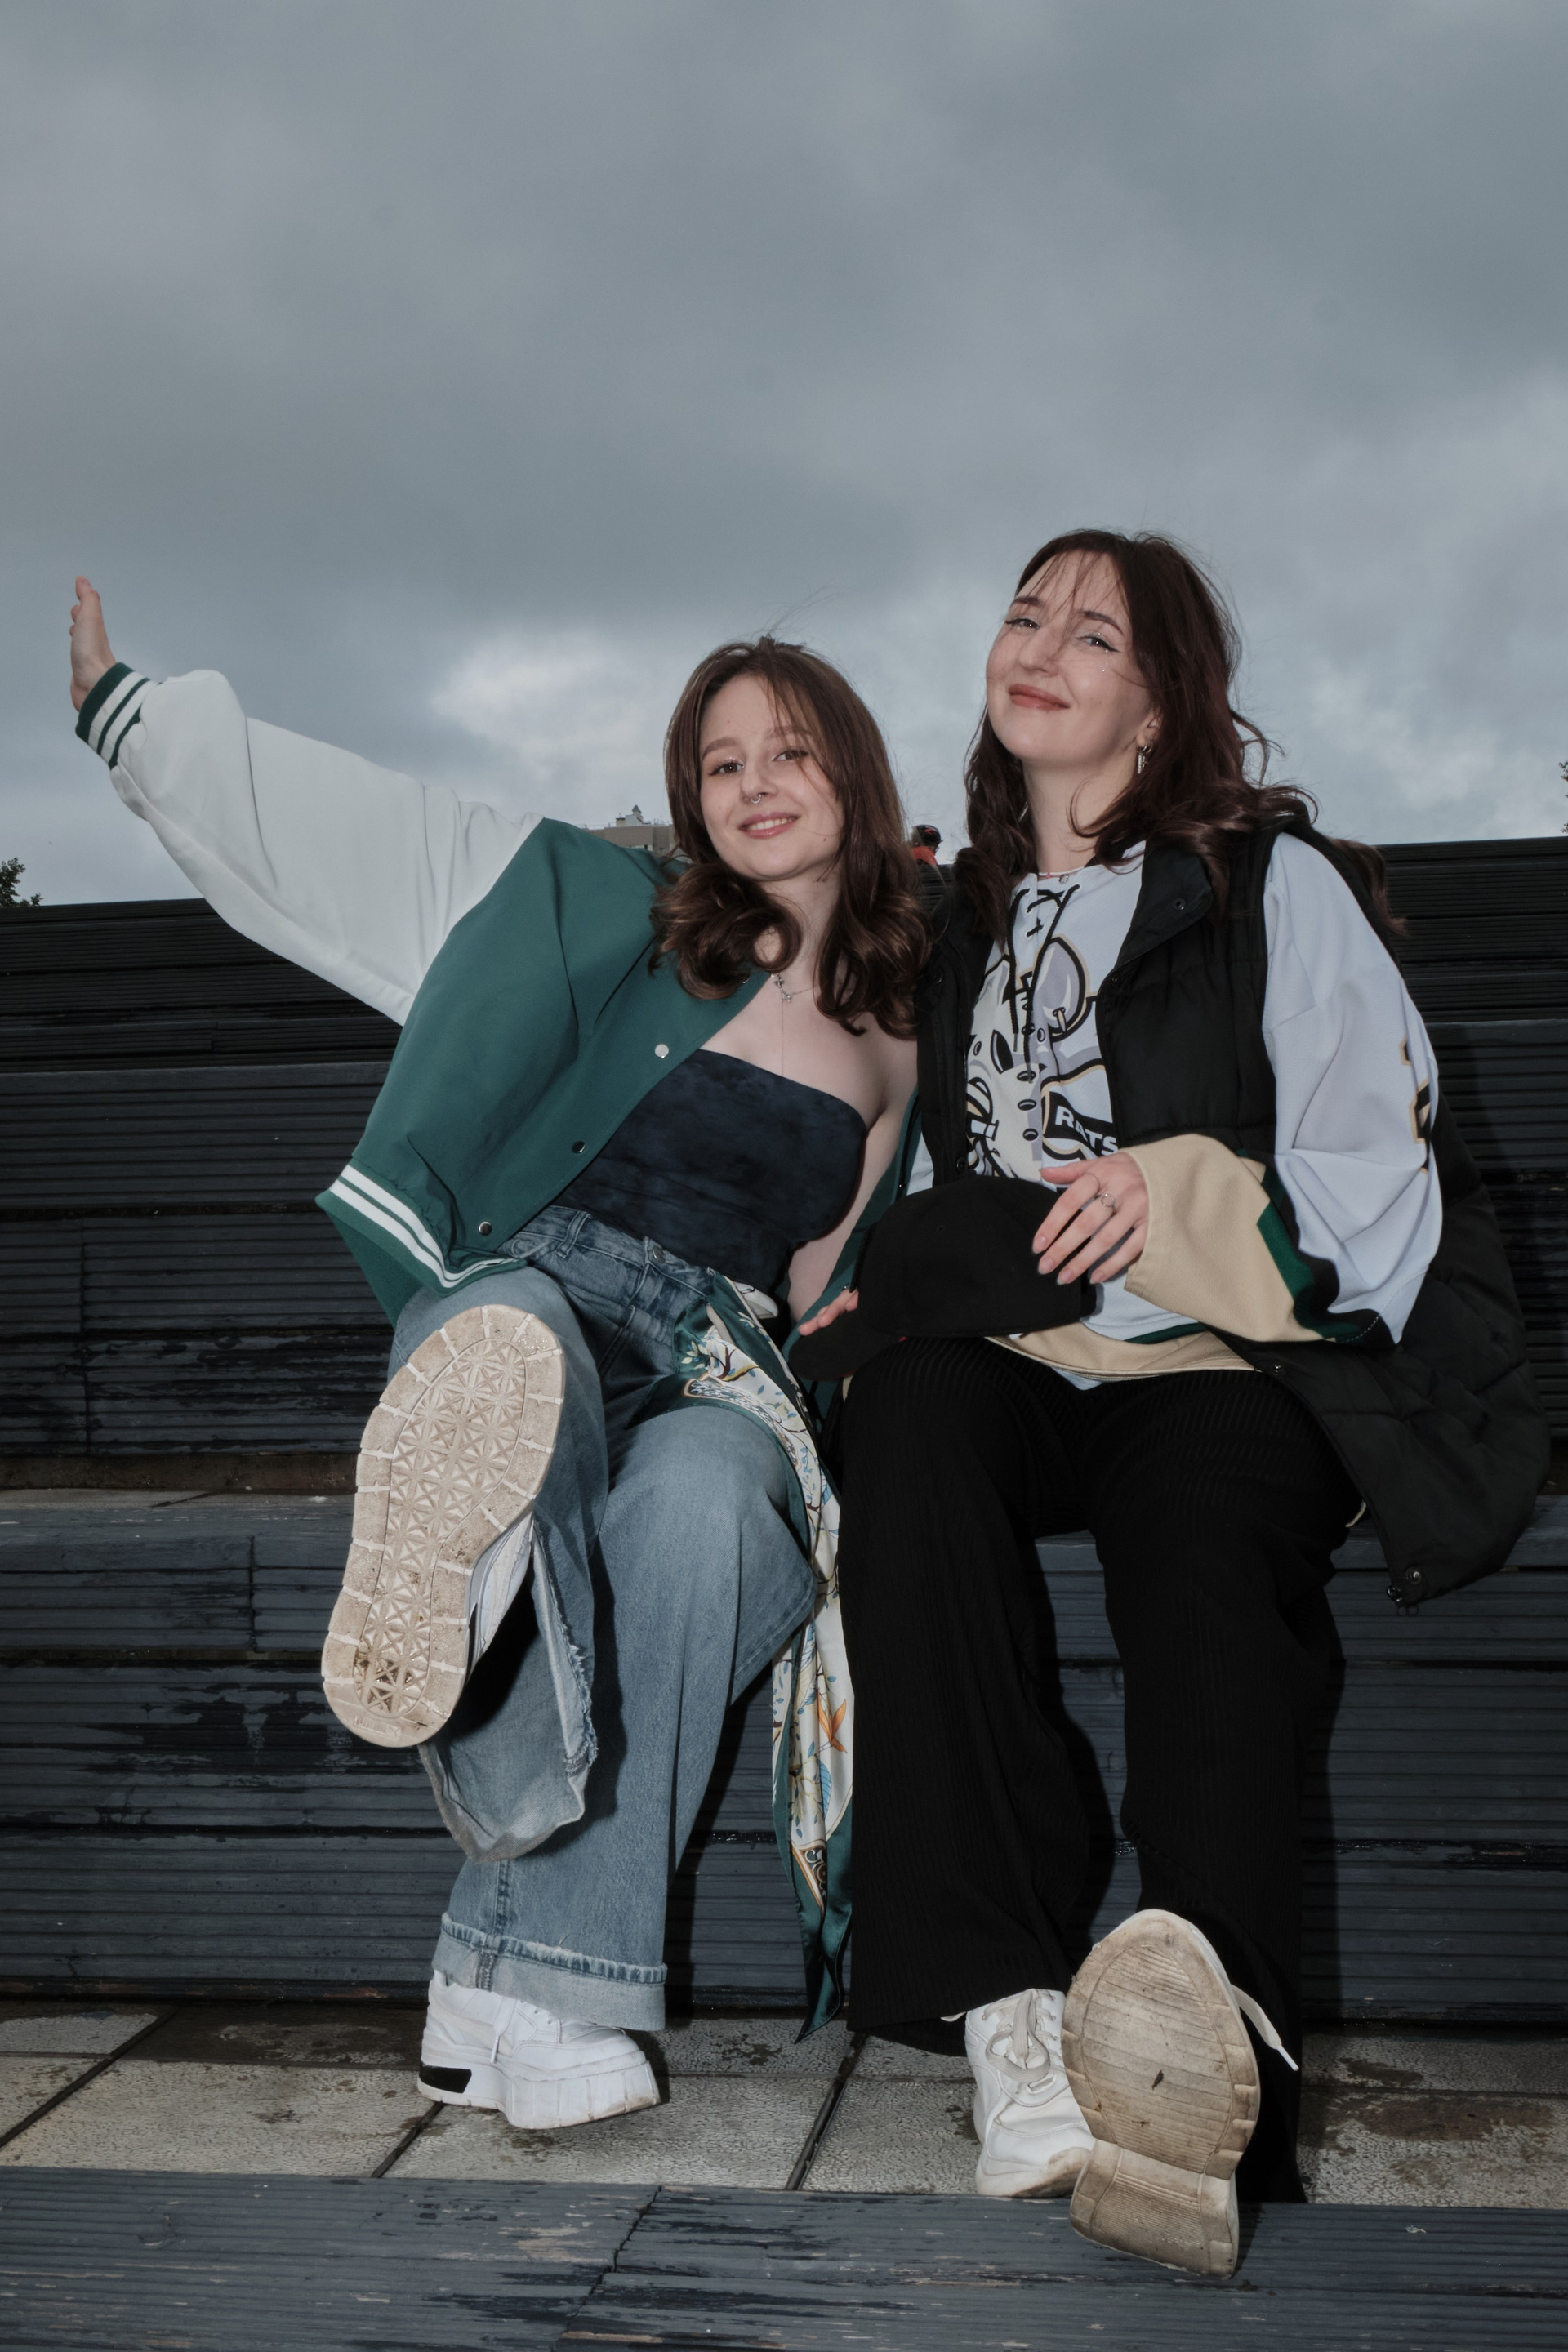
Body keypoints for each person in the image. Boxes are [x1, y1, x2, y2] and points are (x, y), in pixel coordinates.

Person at [68, 581, 922, 2132]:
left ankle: (491, 1969)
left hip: (714, 1357)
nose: (754, 784)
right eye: (721, 762)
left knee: (713, 1511)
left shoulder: (899, 1036)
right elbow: (366, 841)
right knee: (512, 1373)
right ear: (689, 798)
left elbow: (831, 1287)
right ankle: (477, 1549)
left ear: (854, 771)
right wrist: (142, 726)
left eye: (789, 750)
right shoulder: (617, 909)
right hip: (532, 1286)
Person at [801, 530, 1544, 2273]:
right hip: (1024, 1355)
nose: (1041, 645)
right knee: (906, 1431)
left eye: (1095, 633)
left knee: (1210, 1522)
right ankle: (1004, 2002)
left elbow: (1376, 1159)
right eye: (1024, 614)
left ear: (1157, 704)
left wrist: (1185, 1185)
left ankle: (1209, 2055)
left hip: (1225, 1345)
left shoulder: (1263, 889)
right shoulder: (959, 925)